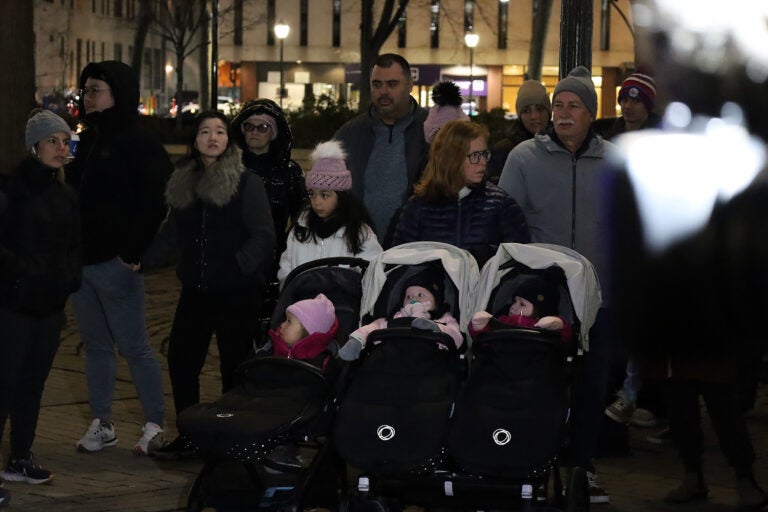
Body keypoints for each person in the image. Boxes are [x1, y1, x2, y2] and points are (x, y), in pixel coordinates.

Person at [607, 1, 768, 509]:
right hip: (671, 305)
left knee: (721, 404)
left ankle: (744, 478)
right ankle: (693, 474)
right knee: (679, 407)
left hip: (711, 305)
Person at [498, 66, 615, 504]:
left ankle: (584, 468)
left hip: (599, 296)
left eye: (574, 106)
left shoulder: (615, 161)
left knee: (592, 385)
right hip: (540, 295)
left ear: (591, 114)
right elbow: (506, 223)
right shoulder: (523, 157)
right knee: (536, 383)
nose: (564, 113)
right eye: (559, 106)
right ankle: (527, 464)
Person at [154, 111, 276, 458]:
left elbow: (263, 235)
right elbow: (171, 234)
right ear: (195, 140)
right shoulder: (183, 181)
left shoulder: (244, 181)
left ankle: (232, 437)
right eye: (205, 131)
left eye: (219, 131)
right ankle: (190, 435)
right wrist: (139, 260)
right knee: (181, 360)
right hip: (197, 289)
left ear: (228, 139)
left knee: (234, 366)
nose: (212, 137)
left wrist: (239, 266)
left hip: (237, 291)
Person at [66, 60, 172, 456]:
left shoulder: (137, 140)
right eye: (86, 91)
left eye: (95, 90)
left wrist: (135, 251)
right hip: (83, 262)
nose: (88, 97)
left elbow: (159, 197)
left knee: (136, 347)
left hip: (116, 264)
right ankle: (102, 423)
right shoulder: (87, 138)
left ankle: (153, 425)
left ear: (118, 94)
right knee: (95, 346)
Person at [0, 110, 82, 486]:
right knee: (6, 384)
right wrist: (22, 273)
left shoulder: (65, 192)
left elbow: (73, 244)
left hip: (50, 307)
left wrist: (68, 278)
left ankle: (20, 456)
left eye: (65, 141)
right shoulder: (13, 189)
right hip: (14, 305)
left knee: (33, 385)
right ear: (35, 145)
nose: (61, 148)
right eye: (53, 140)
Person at [392, 119, 530, 267]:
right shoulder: (417, 207)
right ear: (451, 159)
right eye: (475, 156)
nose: (483, 162)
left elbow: (520, 264)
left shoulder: (502, 205)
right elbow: (398, 263)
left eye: (484, 154)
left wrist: (486, 258)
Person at [334, 53, 430, 247]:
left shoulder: (432, 131)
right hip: (358, 248)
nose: (383, 91)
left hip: (417, 249)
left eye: (392, 84)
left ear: (410, 85)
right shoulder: (348, 135)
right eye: (377, 84)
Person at [277, 140, 382, 285]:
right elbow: (286, 272)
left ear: (341, 196)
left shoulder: (361, 234)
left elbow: (373, 275)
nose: (317, 202)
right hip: (302, 304)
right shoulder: (299, 231)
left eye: (324, 195)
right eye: (312, 194)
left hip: (343, 305)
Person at [231, 98, 306, 272]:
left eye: (263, 127)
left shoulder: (290, 172)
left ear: (273, 132)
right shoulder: (229, 168)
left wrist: (291, 247)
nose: (254, 132)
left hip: (277, 257)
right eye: (249, 126)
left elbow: (303, 215)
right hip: (234, 255)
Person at [338, 265, 462, 361]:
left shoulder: (444, 318)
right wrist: (358, 340)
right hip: (392, 358)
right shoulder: (395, 317)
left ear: (437, 300)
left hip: (432, 359)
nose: (414, 299)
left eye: (420, 295)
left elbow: (456, 336)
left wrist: (436, 328)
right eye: (408, 297)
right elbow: (372, 328)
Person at [470, 274, 572, 344]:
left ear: (539, 309)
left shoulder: (543, 326)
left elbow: (566, 336)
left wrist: (557, 324)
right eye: (515, 301)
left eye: (522, 304)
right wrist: (479, 326)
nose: (514, 306)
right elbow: (483, 340)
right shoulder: (502, 320)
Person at [487, 79, 552, 181]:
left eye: (539, 109)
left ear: (549, 112)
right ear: (520, 116)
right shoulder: (503, 151)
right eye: (526, 111)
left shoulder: (562, 146)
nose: (534, 116)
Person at [597, 73, 662, 141]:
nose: (628, 106)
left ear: (647, 106)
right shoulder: (604, 132)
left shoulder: (660, 137)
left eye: (636, 101)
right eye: (625, 100)